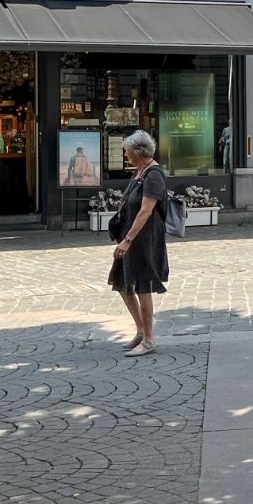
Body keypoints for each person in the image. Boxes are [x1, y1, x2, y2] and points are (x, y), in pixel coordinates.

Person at [109, 130, 170, 356]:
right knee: (123, 283)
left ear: (138, 152)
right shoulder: (140, 172)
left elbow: (145, 211)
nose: (126, 155)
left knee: (143, 286)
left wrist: (127, 240)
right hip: (130, 238)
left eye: (128, 152)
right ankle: (140, 331)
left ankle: (149, 339)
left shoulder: (153, 175)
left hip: (144, 240)